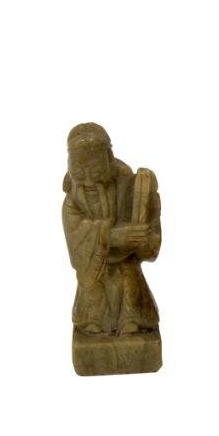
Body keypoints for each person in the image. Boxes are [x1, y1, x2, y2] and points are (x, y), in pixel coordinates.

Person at [62, 123, 161, 336]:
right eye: (79, 172)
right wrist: (110, 236)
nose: (89, 181)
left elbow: (151, 241)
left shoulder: (129, 184)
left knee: (130, 292)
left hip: (127, 265)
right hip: (95, 273)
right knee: (93, 307)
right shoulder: (72, 201)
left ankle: (131, 321)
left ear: (109, 159)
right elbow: (76, 242)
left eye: (95, 171)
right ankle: (94, 321)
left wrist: (142, 235)